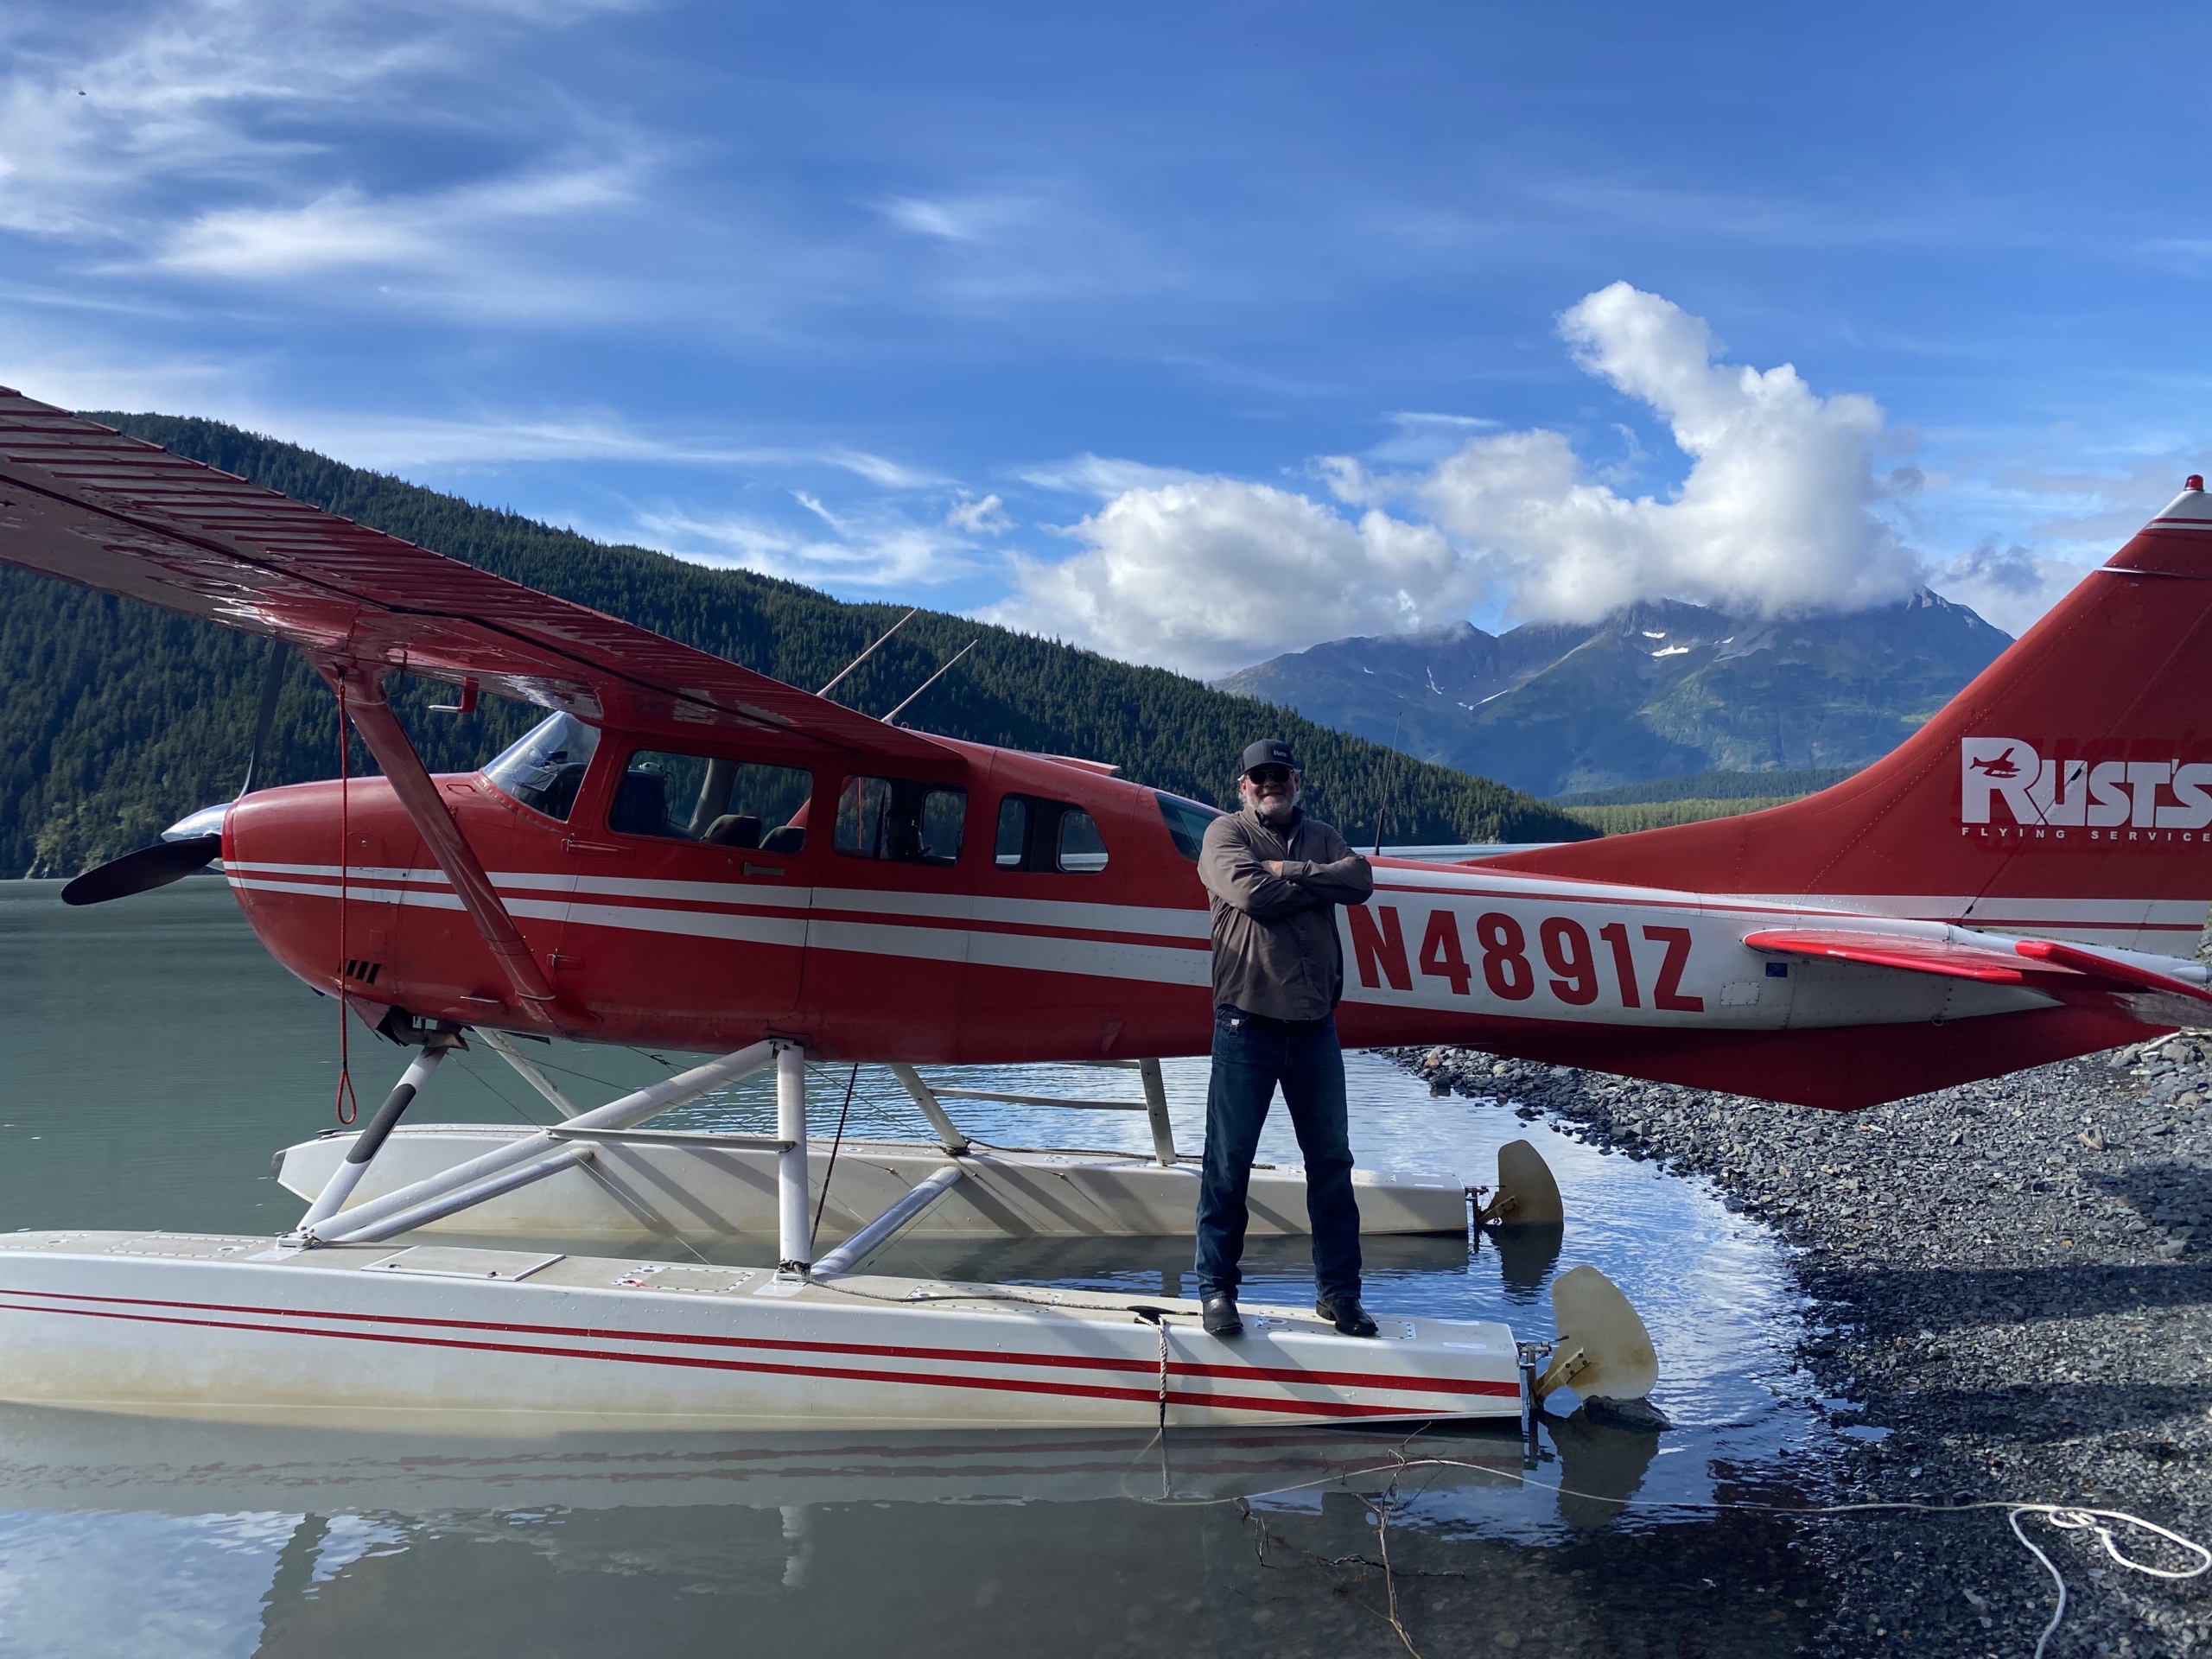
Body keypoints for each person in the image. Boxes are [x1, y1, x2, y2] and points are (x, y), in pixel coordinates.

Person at [1194, 738, 1378, 1338]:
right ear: (1242, 786)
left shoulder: (1322, 833)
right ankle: (1217, 1291)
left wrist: (1288, 873)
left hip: (1315, 1027)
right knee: (1228, 1164)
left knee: (1331, 1164)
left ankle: (1340, 1295)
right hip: (1246, 1023)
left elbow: (1359, 880)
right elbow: (1249, 894)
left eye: (1281, 775)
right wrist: (1312, 884)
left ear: (1297, 780)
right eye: (1260, 777)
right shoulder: (1225, 836)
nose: (1271, 783)